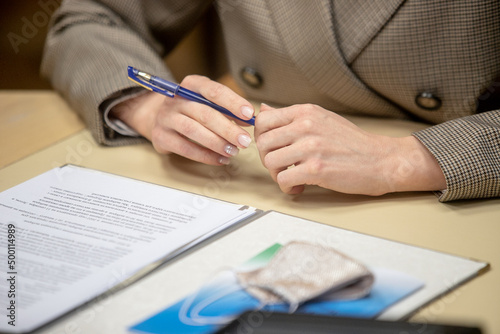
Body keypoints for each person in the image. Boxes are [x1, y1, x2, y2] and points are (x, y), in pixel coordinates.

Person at [41, 0, 500, 202]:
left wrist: (403, 160)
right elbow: (91, 17)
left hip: (463, 197)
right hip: (257, 184)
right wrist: (147, 107)